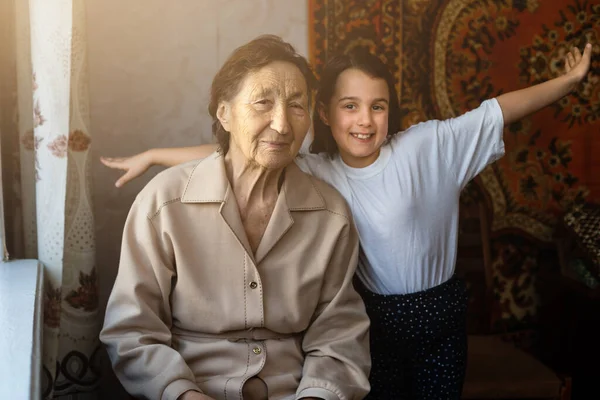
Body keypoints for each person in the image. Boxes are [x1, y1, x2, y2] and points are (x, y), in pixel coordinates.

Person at [102, 40, 593, 399]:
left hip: (433, 318)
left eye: (377, 107)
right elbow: (234, 151)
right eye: (350, 107)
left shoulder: (415, 153)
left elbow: (496, 112)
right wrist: (153, 156)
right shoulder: (313, 171)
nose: (364, 120)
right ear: (326, 117)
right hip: (373, 321)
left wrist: (569, 82)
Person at [100, 35, 372, 400]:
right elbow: (132, 331)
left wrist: (317, 395)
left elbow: (339, 336)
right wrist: (183, 394)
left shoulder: (331, 215)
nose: (282, 125)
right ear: (224, 113)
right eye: (263, 103)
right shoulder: (163, 203)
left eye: (296, 105)